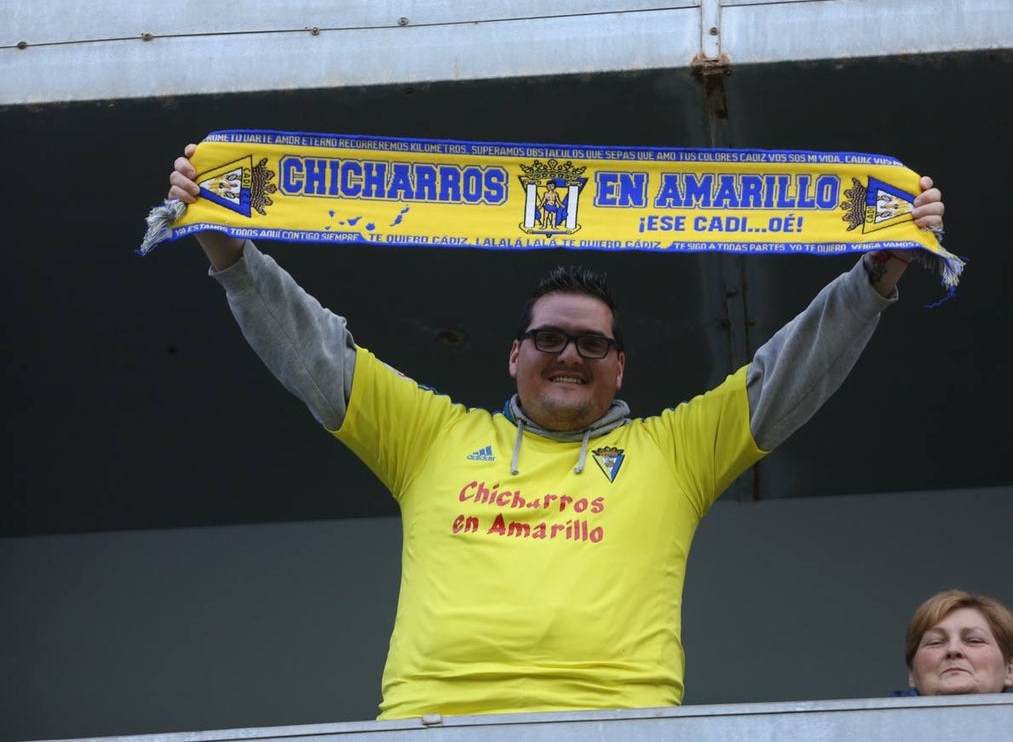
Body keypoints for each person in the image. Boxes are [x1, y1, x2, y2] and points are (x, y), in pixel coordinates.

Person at [167, 142, 946, 719]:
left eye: (592, 343)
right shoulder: (430, 435)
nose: (569, 354)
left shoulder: (674, 450)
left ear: (619, 366)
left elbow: (789, 371)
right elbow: (316, 354)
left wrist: (878, 272)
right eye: (549, 339)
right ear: (514, 356)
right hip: (433, 721)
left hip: (620, 723)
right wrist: (226, 246)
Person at [893, 589, 1013, 697]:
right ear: (911, 674)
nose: (953, 649)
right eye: (935, 642)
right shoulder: (876, 725)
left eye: (974, 640)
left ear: (1009, 671)